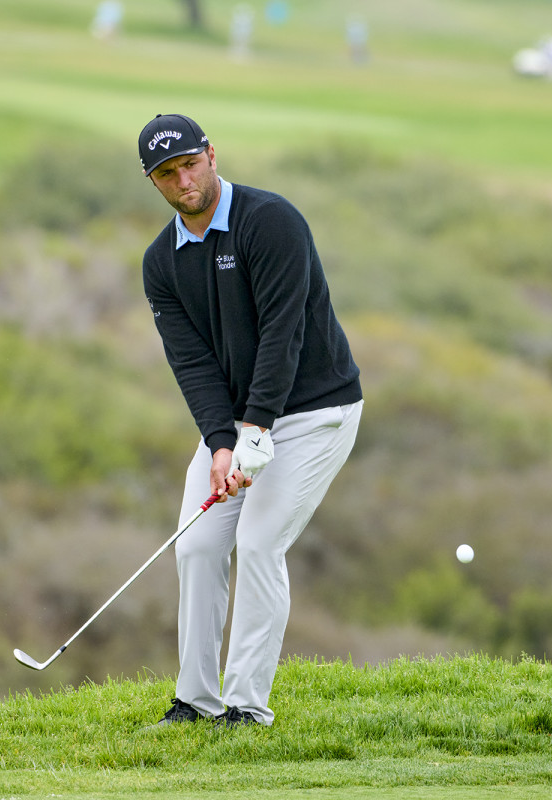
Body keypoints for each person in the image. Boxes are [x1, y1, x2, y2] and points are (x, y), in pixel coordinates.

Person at [137, 113, 363, 728]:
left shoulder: (271, 222)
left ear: (211, 155)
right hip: (239, 422)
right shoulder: (162, 263)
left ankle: (245, 707)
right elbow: (193, 364)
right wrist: (220, 444)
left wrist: (257, 430)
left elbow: (282, 336)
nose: (183, 179)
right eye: (166, 173)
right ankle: (195, 702)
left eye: (189, 163)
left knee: (259, 543)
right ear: (153, 182)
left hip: (317, 411)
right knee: (200, 544)